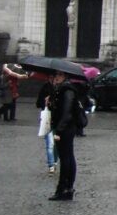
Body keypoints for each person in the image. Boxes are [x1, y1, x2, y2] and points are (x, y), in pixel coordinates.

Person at [48, 71, 85, 201]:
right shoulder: (60, 89)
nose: (56, 77)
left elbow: (67, 112)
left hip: (66, 128)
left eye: (60, 75)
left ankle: (64, 188)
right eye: (55, 75)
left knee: (66, 158)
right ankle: (67, 188)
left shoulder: (67, 90)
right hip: (65, 127)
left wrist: (59, 130)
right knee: (67, 156)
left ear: (65, 77)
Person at [36, 77, 58, 174]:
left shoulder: (62, 88)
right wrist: (45, 102)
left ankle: (55, 161)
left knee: (57, 142)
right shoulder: (45, 88)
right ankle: (51, 164)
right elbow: (38, 103)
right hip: (47, 117)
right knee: (50, 144)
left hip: (58, 118)